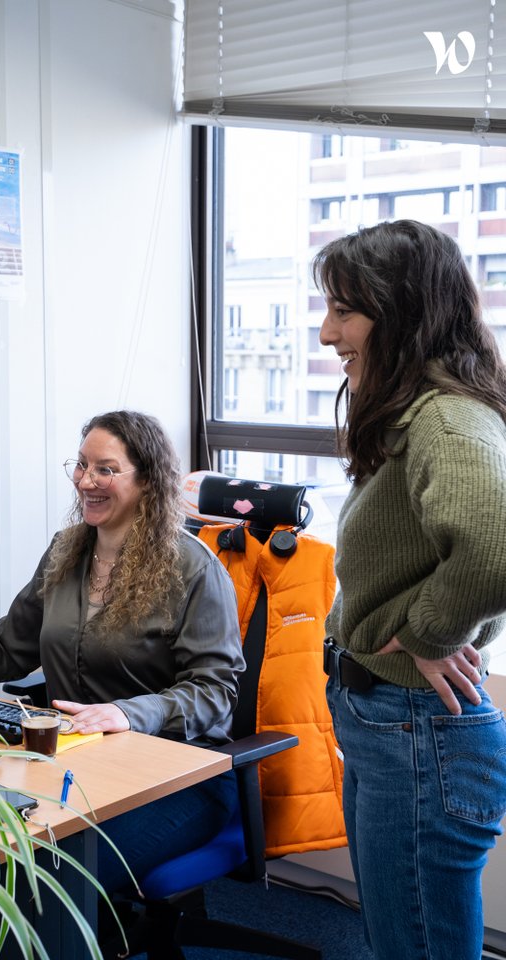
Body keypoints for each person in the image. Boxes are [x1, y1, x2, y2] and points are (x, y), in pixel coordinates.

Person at [0, 410, 245, 898]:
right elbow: (3, 648)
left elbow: (215, 692)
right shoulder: (66, 551)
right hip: (75, 767)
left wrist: (127, 713)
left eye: (105, 469)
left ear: (148, 480)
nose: (86, 481)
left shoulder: (191, 568)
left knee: (43, 883)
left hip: (178, 777)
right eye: (81, 465)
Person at [315, 219, 506, 960]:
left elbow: (493, 550)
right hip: (388, 721)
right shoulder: (413, 411)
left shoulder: (448, 418)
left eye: (344, 311)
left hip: (417, 729)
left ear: (402, 315)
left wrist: (428, 632)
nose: (329, 333)